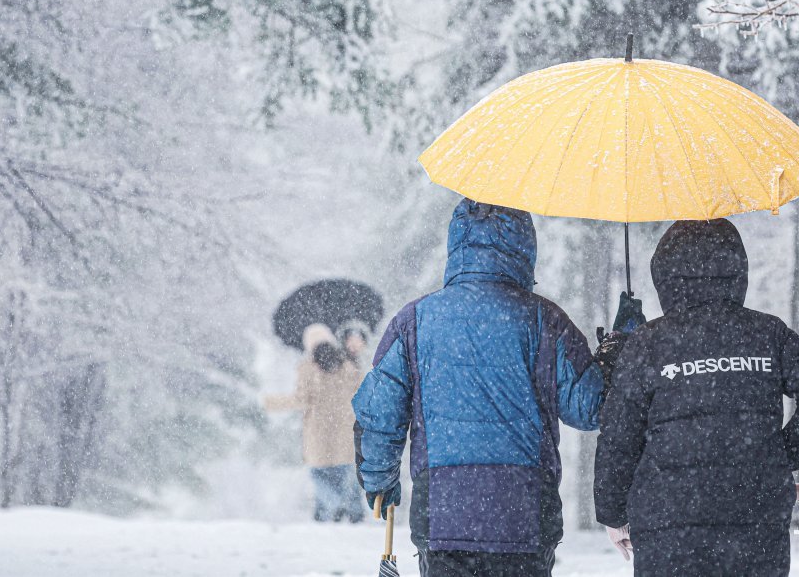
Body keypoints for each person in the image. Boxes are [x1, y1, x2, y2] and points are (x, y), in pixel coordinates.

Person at [352, 198, 617, 577]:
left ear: (456, 242)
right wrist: (620, 349)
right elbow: (591, 407)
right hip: (523, 514)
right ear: (525, 245)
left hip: (443, 515)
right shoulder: (544, 319)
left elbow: (378, 412)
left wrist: (379, 478)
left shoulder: (414, 320)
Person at [594, 219, 799, 577]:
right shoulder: (767, 333)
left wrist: (612, 511)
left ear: (665, 274)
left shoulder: (647, 343)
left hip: (668, 526)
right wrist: (775, 457)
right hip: (755, 518)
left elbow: (619, 434)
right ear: (737, 270)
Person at [264, 323, 366, 523]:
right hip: (345, 431)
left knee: (320, 475)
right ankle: (352, 514)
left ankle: (333, 506)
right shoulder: (346, 365)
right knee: (347, 476)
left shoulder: (307, 368)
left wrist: (271, 402)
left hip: (318, 433)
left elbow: (301, 399)